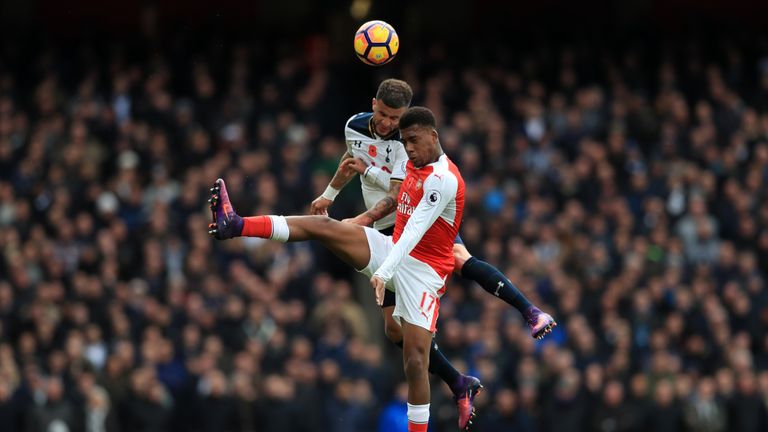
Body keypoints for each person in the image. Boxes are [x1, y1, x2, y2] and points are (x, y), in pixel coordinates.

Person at [209, 107, 469, 431]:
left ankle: (455, 387)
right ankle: (236, 224)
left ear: (432, 137)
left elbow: (405, 214)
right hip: (389, 244)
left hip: (421, 270)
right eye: (386, 118)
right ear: (374, 106)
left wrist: (529, 310)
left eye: (401, 124)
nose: (395, 130)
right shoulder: (382, 139)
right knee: (325, 228)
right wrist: (330, 193)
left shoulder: (440, 178)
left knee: (415, 359)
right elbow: (360, 165)